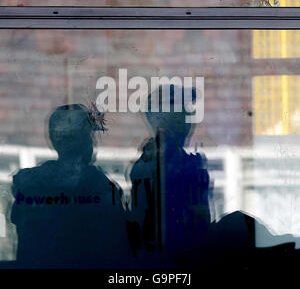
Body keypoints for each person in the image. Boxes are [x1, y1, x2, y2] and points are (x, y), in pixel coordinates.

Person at [11, 104, 132, 268]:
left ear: (54, 141)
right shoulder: (100, 187)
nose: (94, 142)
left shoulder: (28, 185)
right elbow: (118, 247)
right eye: (90, 135)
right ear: (86, 141)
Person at [126, 85, 211, 268]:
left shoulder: (181, 162)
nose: (189, 121)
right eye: (183, 112)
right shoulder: (153, 164)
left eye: (188, 113)